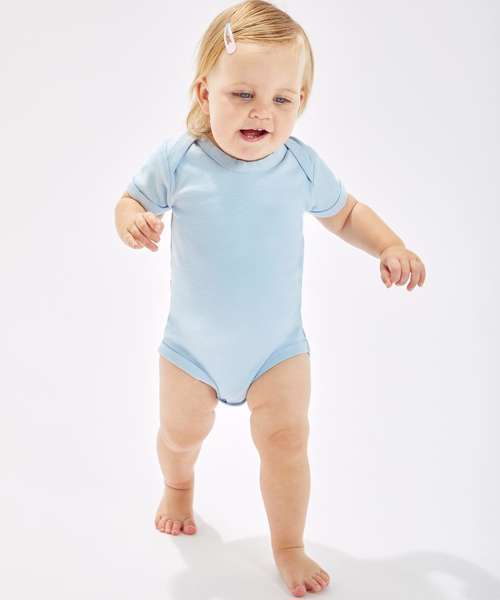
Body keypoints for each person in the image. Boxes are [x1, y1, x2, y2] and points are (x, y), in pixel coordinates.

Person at [114, 1, 426, 596]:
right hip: (190, 350)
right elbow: (130, 200)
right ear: (205, 92)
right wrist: (132, 220)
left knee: (287, 444)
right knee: (179, 434)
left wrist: (389, 245)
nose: (264, 111)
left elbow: (346, 213)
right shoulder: (180, 160)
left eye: (284, 98)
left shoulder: (299, 166)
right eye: (244, 94)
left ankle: (288, 545)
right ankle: (178, 485)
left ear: (301, 101)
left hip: (277, 350)